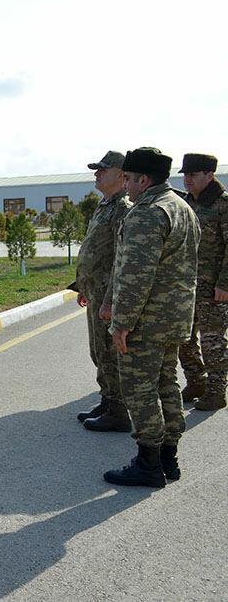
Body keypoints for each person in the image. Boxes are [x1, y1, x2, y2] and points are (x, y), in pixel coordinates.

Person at [106, 147, 199, 487]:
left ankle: (148, 463)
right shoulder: (182, 207)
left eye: (129, 179)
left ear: (143, 180)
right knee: (166, 383)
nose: (126, 186)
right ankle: (168, 459)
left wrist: (122, 323)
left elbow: (136, 276)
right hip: (175, 318)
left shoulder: (147, 212)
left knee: (139, 389)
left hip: (147, 320)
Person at [73, 151, 133, 431]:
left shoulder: (123, 208)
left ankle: (119, 412)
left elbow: (122, 257)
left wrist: (110, 298)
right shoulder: (105, 204)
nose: (97, 174)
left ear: (121, 175)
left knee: (109, 353)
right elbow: (94, 249)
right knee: (98, 351)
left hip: (109, 295)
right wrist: (82, 285)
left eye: (102, 170)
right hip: (95, 291)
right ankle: (108, 401)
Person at [177, 153, 228, 411]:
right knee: (183, 339)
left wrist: (225, 284)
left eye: (193, 175)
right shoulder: (187, 203)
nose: (187, 180)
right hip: (187, 287)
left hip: (213, 289)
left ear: (209, 175)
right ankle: (197, 381)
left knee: (212, 343)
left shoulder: (223, 204)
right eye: (185, 175)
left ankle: (217, 392)